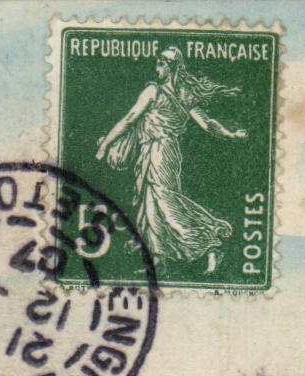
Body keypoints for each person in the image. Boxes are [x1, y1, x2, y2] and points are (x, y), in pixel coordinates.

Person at [95, 47, 247, 273]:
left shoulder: (153, 91)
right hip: (163, 152)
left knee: (165, 204)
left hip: (159, 151)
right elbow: (208, 124)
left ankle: (209, 245)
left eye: (160, 64)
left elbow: (129, 119)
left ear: (170, 66)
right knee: (151, 203)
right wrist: (230, 134)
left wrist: (106, 145)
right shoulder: (185, 94)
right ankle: (158, 259)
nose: (157, 68)